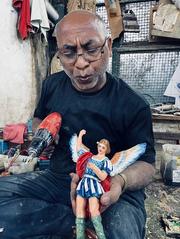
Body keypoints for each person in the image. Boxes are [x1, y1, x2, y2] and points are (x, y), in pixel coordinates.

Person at [0, 10, 155, 239]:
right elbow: (37, 119)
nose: (81, 63)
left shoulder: (133, 105)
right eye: (69, 52)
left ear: (108, 46)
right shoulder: (51, 86)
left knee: (123, 231)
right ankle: (72, 224)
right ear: (59, 54)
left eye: (91, 49)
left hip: (111, 188)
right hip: (59, 178)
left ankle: (79, 223)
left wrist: (120, 181)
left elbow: (147, 166)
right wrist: (43, 133)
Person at [74, 129, 112, 239]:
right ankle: (80, 236)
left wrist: (94, 168)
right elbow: (78, 148)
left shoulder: (106, 161)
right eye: (100, 146)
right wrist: (80, 135)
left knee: (93, 210)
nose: (100, 149)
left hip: (94, 185)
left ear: (106, 149)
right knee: (79, 209)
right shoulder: (89, 156)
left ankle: (101, 236)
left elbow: (103, 177)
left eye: (103, 147)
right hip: (84, 183)